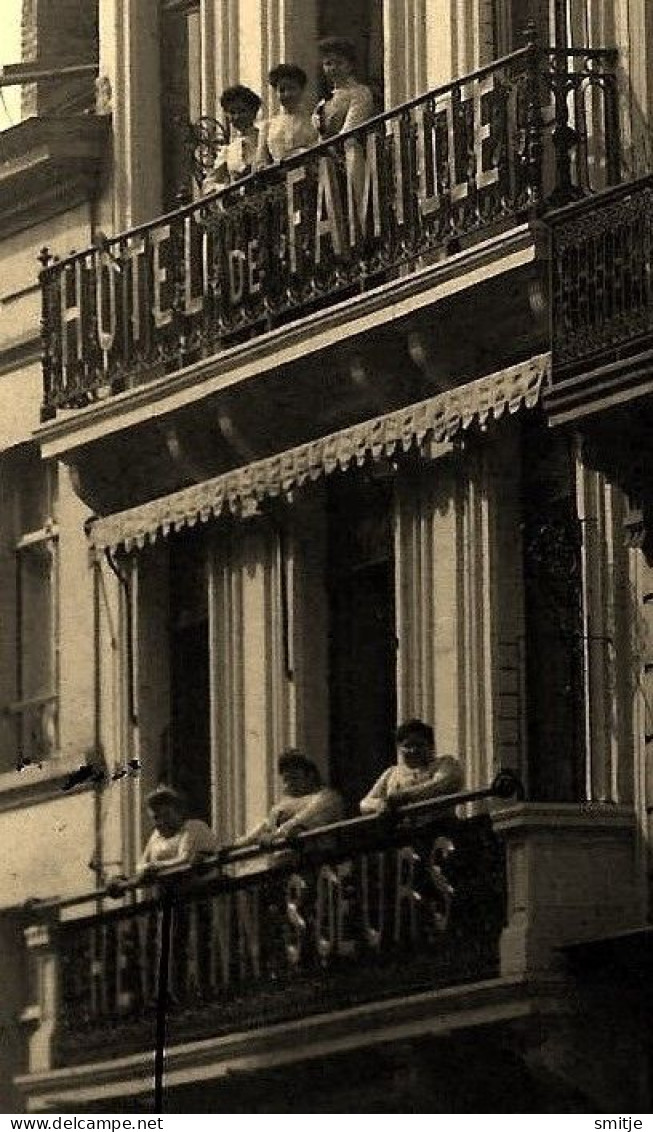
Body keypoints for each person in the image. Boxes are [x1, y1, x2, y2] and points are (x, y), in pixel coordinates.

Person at [235, 749, 344, 847]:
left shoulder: (327, 797)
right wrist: (238, 844)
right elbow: (265, 825)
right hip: (280, 864)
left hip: (313, 863)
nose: (289, 784)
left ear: (310, 775)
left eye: (294, 778)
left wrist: (275, 835)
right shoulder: (283, 804)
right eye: (286, 780)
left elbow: (304, 818)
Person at [360, 719, 463, 815]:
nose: (413, 750)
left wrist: (404, 796)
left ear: (431, 746)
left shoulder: (445, 763)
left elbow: (444, 783)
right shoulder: (391, 773)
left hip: (438, 828)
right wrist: (380, 804)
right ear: (399, 748)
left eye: (419, 745)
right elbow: (365, 803)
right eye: (407, 746)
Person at [136, 785, 218, 879]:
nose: (162, 821)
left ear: (178, 812)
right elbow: (140, 865)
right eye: (156, 818)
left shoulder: (193, 827)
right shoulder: (156, 836)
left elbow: (184, 859)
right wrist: (146, 868)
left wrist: (156, 866)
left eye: (167, 815)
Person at [312, 36, 374, 140]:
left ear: (350, 65)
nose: (333, 68)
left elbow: (351, 129)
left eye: (339, 63)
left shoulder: (360, 93)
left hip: (351, 151)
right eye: (328, 64)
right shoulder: (324, 102)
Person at [203, 84, 263, 191]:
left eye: (242, 111)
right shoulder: (228, 151)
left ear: (254, 112)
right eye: (232, 112)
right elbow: (209, 183)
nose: (237, 117)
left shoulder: (265, 138)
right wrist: (225, 188)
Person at [257, 63, 318, 164]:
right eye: (282, 90)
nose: (287, 94)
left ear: (302, 89)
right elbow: (261, 161)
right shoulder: (268, 126)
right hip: (278, 177)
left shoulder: (314, 120)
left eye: (292, 88)